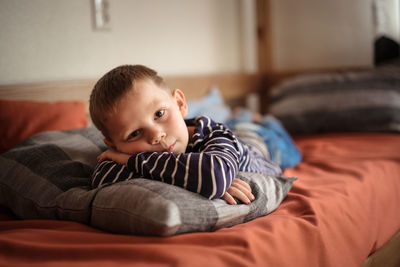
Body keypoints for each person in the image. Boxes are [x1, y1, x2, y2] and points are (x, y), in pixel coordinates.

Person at [89, 64, 282, 205]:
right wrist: (194, 181)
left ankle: (251, 117)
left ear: (180, 104)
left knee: (260, 130)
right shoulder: (112, 159)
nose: (156, 135)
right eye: (134, 133)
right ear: (113, 146)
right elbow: (105, 182)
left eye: (159, 114)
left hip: (260, 147)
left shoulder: (215, 135)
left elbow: (214, 177)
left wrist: (130, 160)